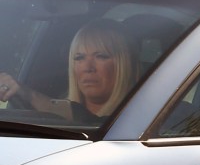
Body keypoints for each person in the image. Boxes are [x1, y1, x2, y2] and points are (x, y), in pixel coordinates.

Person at [0, 19, 138, 122]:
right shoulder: (51, 111)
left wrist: (29, 95)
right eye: (79, 58)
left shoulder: (139, 121)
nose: (87, 67)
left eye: (101, 56)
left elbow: (91, 122)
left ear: (124, 64)